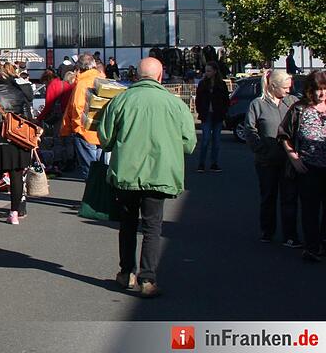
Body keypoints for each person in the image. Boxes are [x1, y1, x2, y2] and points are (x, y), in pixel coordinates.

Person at [97, 57, 195, 298]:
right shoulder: (175, 104)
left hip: (127, 174)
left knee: (127, 224)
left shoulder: (121, 100)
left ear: (136, 76)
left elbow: (105, 138)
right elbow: (189, 144)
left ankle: (126, 272)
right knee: (152, 226)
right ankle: (147, 279)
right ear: (160, 77)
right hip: (159, 173)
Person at [246, 70, 300, 246]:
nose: (287, 90)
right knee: (268, 196)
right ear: (273, 86)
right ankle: (267, 231)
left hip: (288, 160)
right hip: (266, 161)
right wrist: (261, 149)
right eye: (284, 88)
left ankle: (290, 235)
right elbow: (250, 129)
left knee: (289, 197)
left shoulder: (292, 102)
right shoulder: (257, 104)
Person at [278, 70, 326, 262]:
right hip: (308, 167)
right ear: (309, 90)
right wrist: (293, 158)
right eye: (317, 90)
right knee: (310, 209)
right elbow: (283, 134)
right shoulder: (300, 109)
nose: (321, 94)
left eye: (325, 89)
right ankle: (311, 247)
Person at [0, 63, 34, 224]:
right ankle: (14, 214)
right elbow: (27, 118)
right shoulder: (20, 93)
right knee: (16, 176)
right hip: (17, 139)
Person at [61, 54, 103, 177]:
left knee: (90, 171)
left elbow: (77, 107)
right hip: (101, 131)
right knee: (101, 170)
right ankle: (101, 195)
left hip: (85, 131)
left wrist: (77, 128)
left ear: (79, 67)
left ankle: (93, 195)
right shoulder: (102, 79)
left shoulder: (82, 83)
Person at [195, 62, 229, 172]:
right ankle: (201, 164)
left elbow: (225, 100)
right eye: (206, 70)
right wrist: (200, 111)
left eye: (209, 71)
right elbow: (198, 100)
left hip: (217, 115)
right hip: (206, 114)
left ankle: (214, 163)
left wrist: (223, 113)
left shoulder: (221, 84)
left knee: (216, 141)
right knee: (205, 140)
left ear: (215, 71)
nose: (207, 73)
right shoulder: (202, 84)